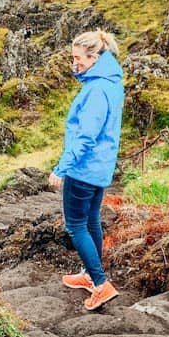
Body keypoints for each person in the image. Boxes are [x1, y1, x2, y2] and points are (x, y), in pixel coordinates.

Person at [48, 29, 124, 311]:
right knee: (91, 220)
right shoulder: (111, 81)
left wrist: (62, 168)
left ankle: (101, 284)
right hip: (100, 167)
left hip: (83, 169)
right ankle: (89, 274)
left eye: (78, 58)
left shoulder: (96, 89)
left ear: (95, 57)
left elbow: (85, 136)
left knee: (76, 225)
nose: (75, 63)